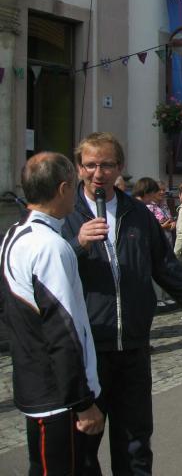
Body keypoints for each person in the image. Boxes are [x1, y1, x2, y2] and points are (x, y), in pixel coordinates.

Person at [62, 132, 182, 474]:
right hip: (89, 350)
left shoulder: (137, 213)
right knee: (83, 448)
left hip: (133, 348)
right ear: (79, 168)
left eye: (107, 165)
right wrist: (76, 245)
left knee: (135, 443)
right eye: (90, 165)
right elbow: (48, 276)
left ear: (120, 167)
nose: (98, 173)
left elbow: (167, 268)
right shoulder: (65, 214)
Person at [1, 152, 105, 476]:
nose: (77, 192)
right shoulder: (50, 247)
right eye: (74, 185)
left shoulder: (15, 234)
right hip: (58, 397)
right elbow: (63, 329)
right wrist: (82, 402)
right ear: (63, 189)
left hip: (38, 383)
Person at [133, 177, 177, 308]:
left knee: (166, 269)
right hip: (154, 243)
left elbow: (168, 219)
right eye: (160, 190)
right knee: (156, 270)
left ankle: (165, 296)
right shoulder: (148, 206)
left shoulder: (164, 205)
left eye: (164, 190)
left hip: (167, 241)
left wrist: (172, 224)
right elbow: (149, 225)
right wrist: (162, 226)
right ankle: (157, 298)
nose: (162, 192)